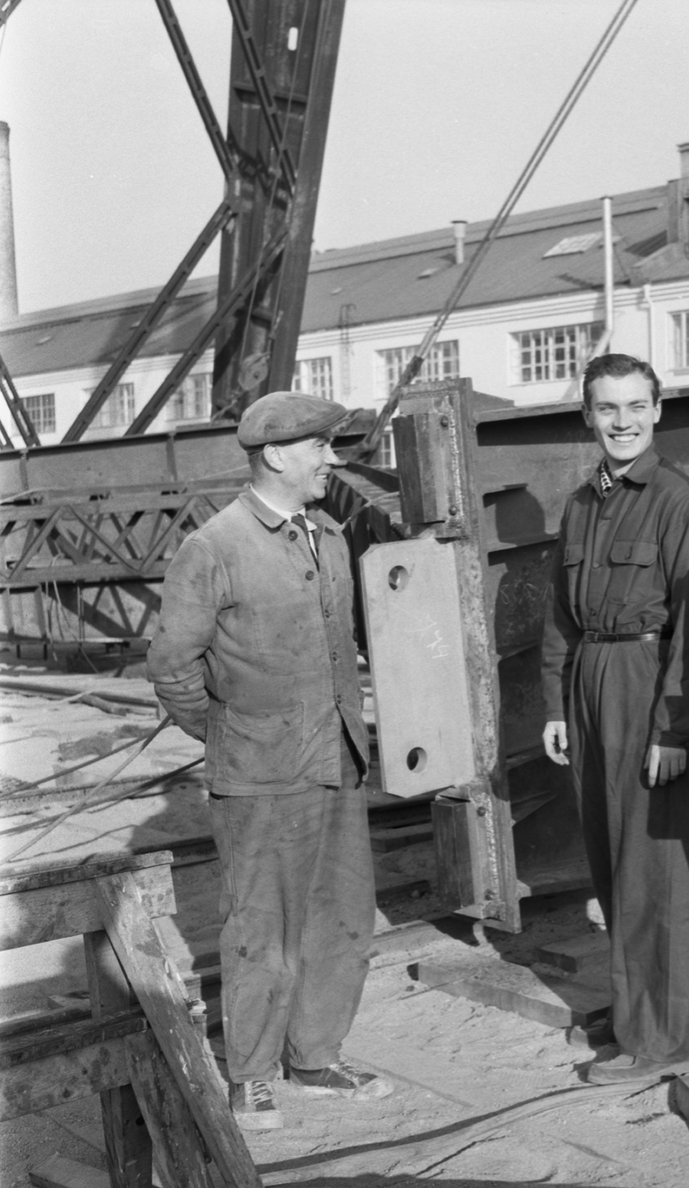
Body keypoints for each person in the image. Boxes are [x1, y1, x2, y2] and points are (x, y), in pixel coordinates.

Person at [147, 391, 392, 1131]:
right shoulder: (213, 548)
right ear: (277, 455)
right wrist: (229, 735)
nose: (332, 459)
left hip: (337, 760)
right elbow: (172, 666)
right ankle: (251, 1075)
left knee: (340, 916)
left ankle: (316, 1057)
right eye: (320, 446)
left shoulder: (328, 535)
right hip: (260, 773)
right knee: (261, 926)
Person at [542, 353, 689, 1084]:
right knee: (613, 860)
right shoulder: (581, 503)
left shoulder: (682, 503)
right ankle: (634, 1010)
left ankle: (663, 1041)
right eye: (607, 408)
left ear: (657, 411)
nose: (622, 421)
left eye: (635, 406)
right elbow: (561, 615)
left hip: (648, 685)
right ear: (588, 416)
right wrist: (558, 704)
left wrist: (675, 729)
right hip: (591, 684)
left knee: (657, 872)